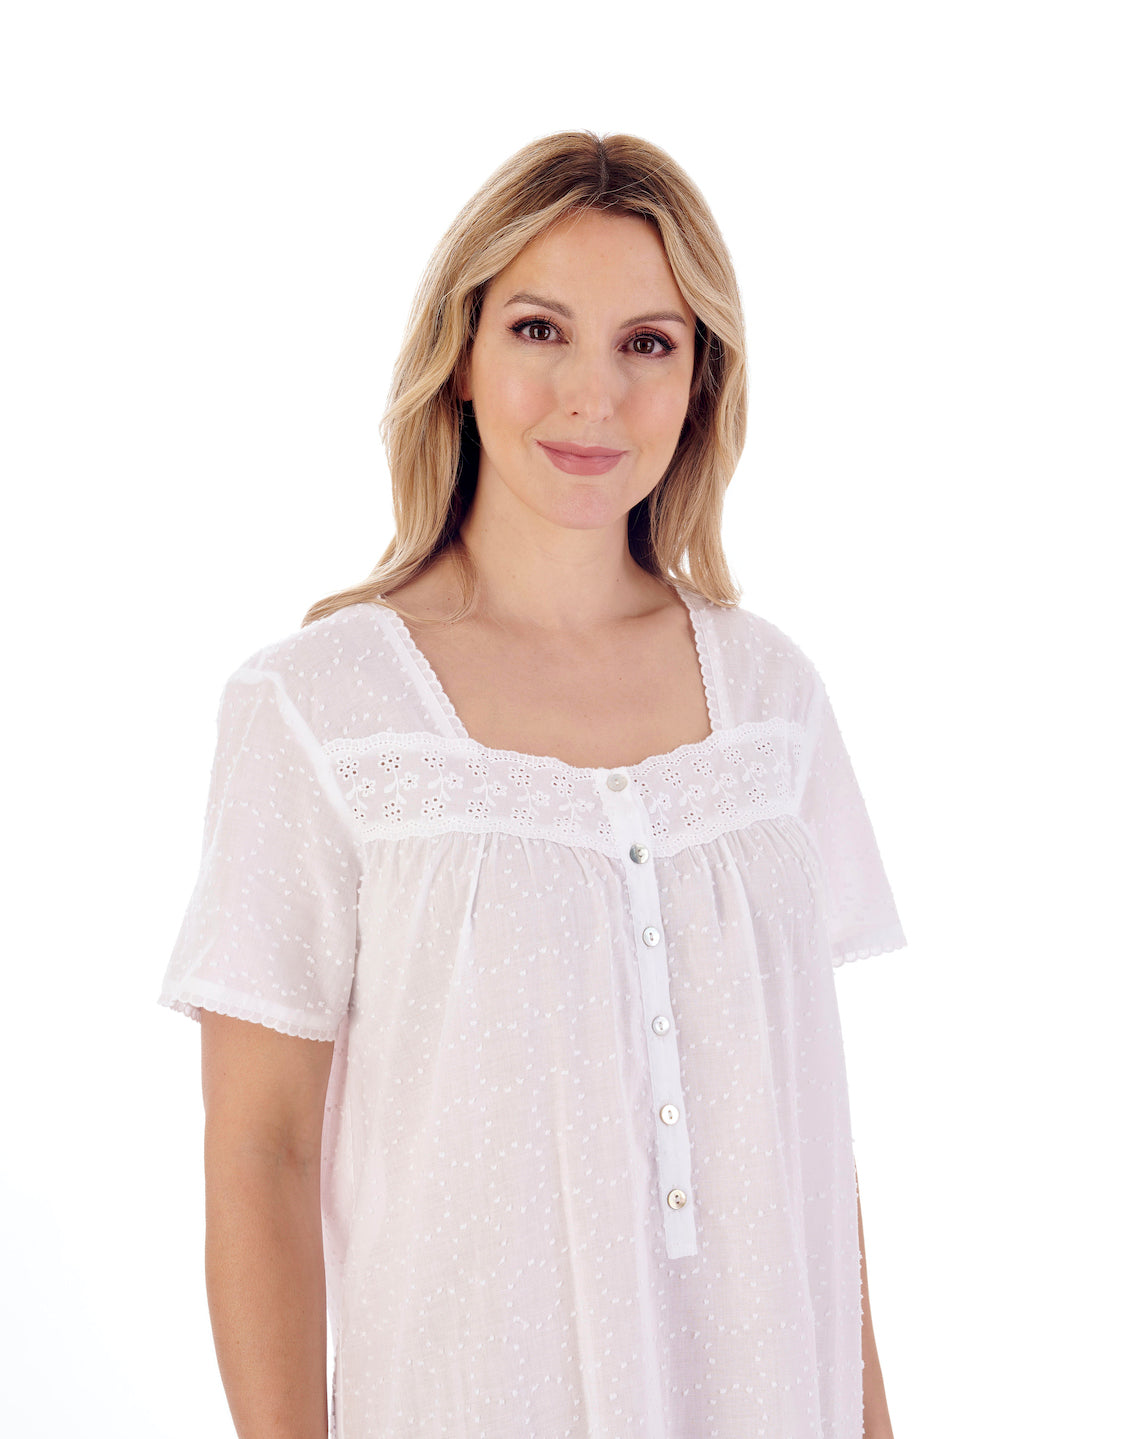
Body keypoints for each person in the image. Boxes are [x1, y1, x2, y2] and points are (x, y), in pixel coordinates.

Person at [158, 129, 906, 1439]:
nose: (591, 395)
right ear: (459, 353)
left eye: (647, 343)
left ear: (701, 379)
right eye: (539, 329)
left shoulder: (771, 704)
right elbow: (260, 1155)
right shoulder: (316, 708)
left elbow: (811, 1150)